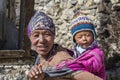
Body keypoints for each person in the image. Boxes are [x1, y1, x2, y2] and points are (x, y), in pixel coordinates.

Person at [27, 10, 105, 80]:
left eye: (47, 34)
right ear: (29, 37)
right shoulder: (42, 56)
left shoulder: (62, 61)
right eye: (36, 35)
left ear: (54, 36)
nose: (41, 40)